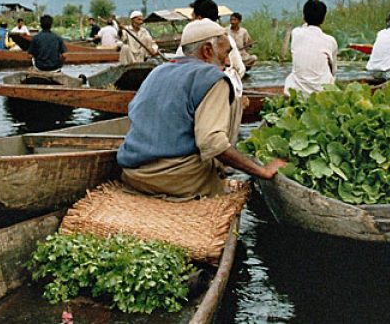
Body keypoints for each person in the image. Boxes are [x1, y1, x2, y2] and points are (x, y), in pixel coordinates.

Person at [116, 19, 286, 199]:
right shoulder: (213, 77)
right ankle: (217, 176)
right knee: (236, 100)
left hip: (133, 174)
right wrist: (262, 170)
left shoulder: (158, 71)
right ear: (207, 50)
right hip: (175, 180)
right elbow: (212, 143)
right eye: (226, 53)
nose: (228, 62)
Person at [284, 0, 339, 96]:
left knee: (290, 78)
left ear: (304, 17)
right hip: (321, 94)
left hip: (297, 93)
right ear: (323, 19)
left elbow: (303, 27)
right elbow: (333, 71)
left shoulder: (296, 33)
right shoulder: (330, 41)